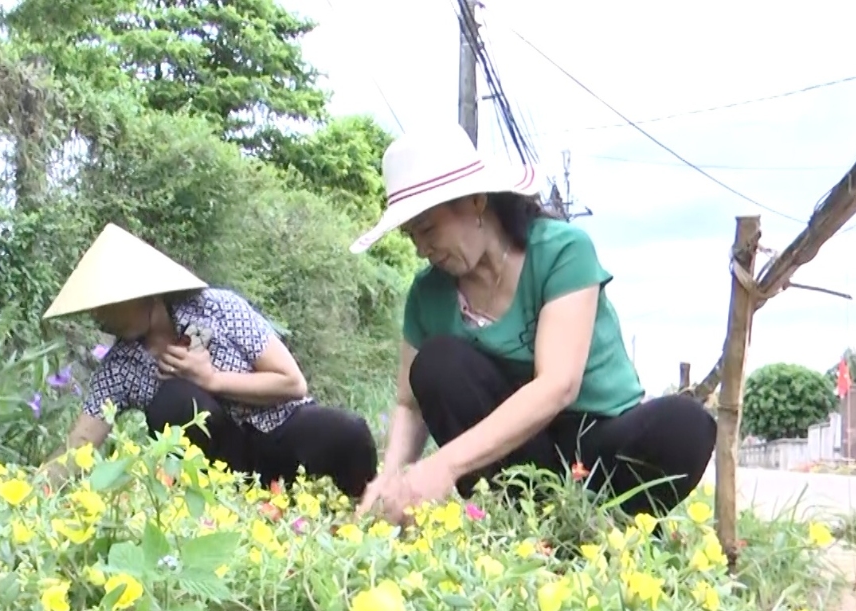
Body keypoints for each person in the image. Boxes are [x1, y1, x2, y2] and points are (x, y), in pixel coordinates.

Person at [349, 124, 716, 524]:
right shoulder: (428, 293)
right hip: (518, 455)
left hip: (597, 438)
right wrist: (389, 480)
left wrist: (444, 465)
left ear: (475, 202)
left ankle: (610, 527)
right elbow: (410, 404)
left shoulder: (562, 251)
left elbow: (558, 385)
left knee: (686, 426)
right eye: (411, 235)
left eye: (427, 229)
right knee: (439, 364)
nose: (422, 248)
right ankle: (529, 525)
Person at [39, 223, 378, 496]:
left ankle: (367, 509)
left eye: (108, 305)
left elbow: (292, 382)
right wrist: (27, 494)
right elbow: (80, 444)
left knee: (348, 433)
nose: (101, 317)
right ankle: (206, 505)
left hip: (279, 430)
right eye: (95, 310)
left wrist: (213, 379)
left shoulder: (216, 307)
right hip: (219, 466)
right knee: (174, 401)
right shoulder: (120, 367)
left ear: (144, 294)